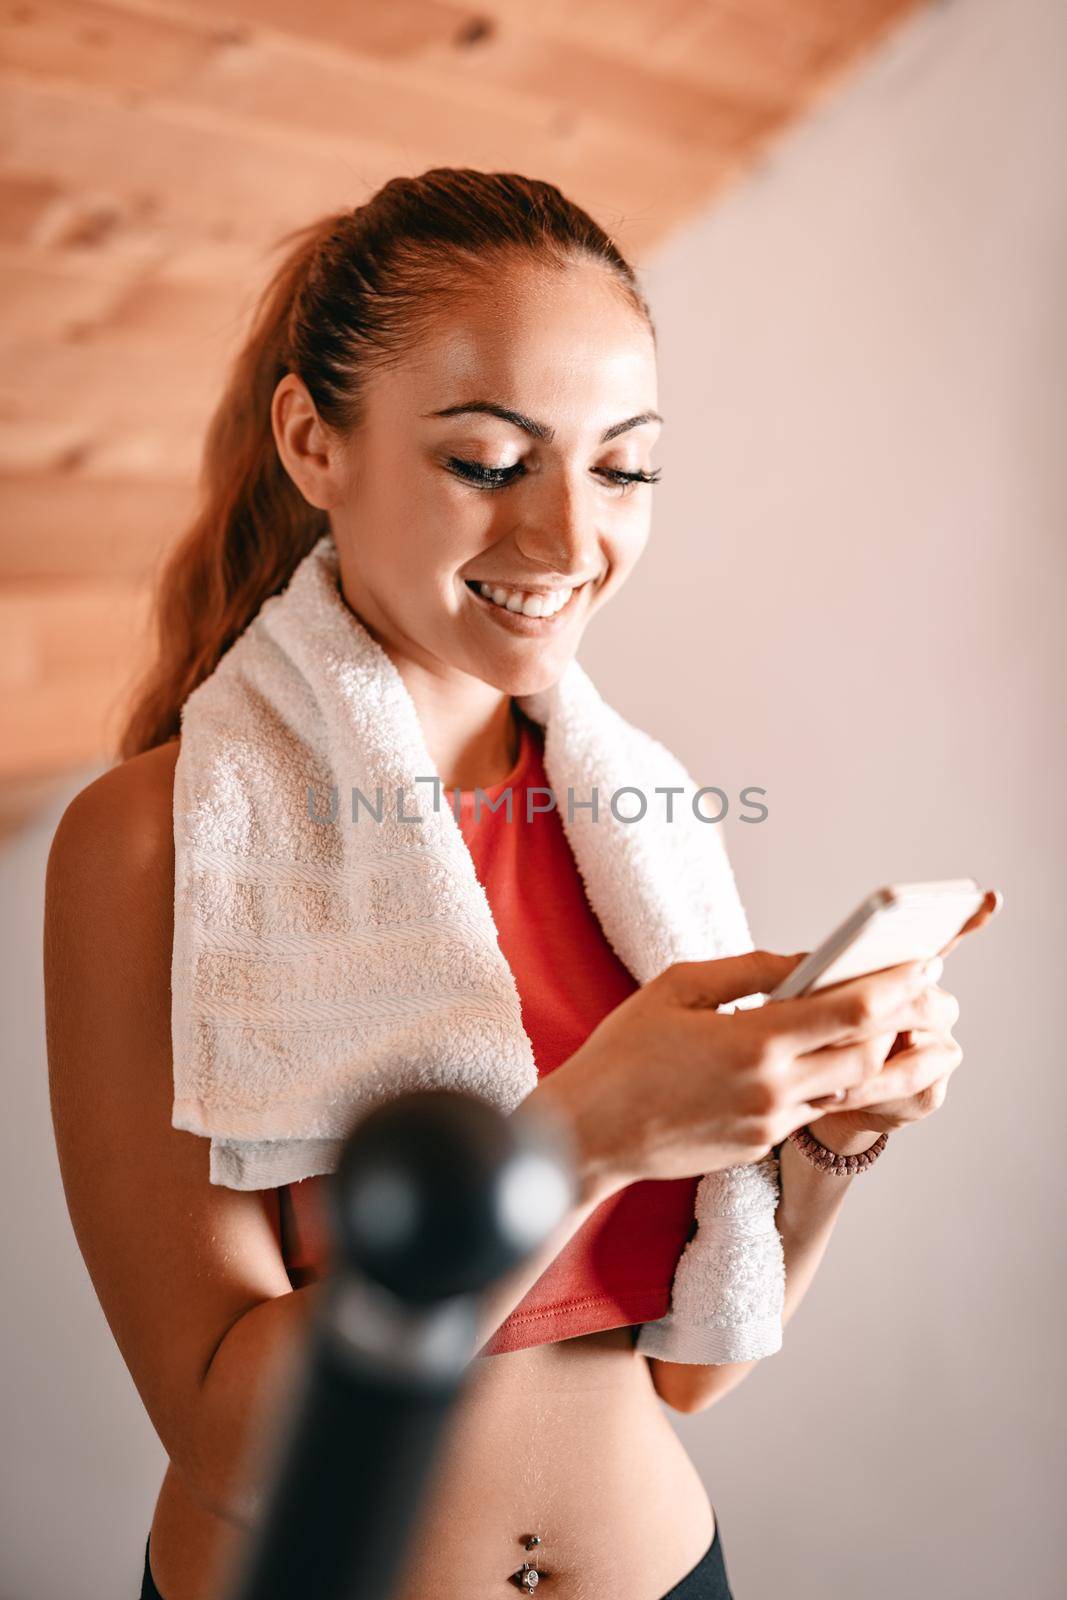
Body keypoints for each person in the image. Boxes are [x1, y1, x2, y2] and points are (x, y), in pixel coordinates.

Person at [43, 171, 984, 1600]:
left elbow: (689, 1371)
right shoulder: (153, 841)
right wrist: (590, 1131)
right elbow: (231, 1440)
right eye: (489, 463)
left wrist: (836, 1135)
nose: (565, 542)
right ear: (313, 440)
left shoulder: (642, 819)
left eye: (622, 467)